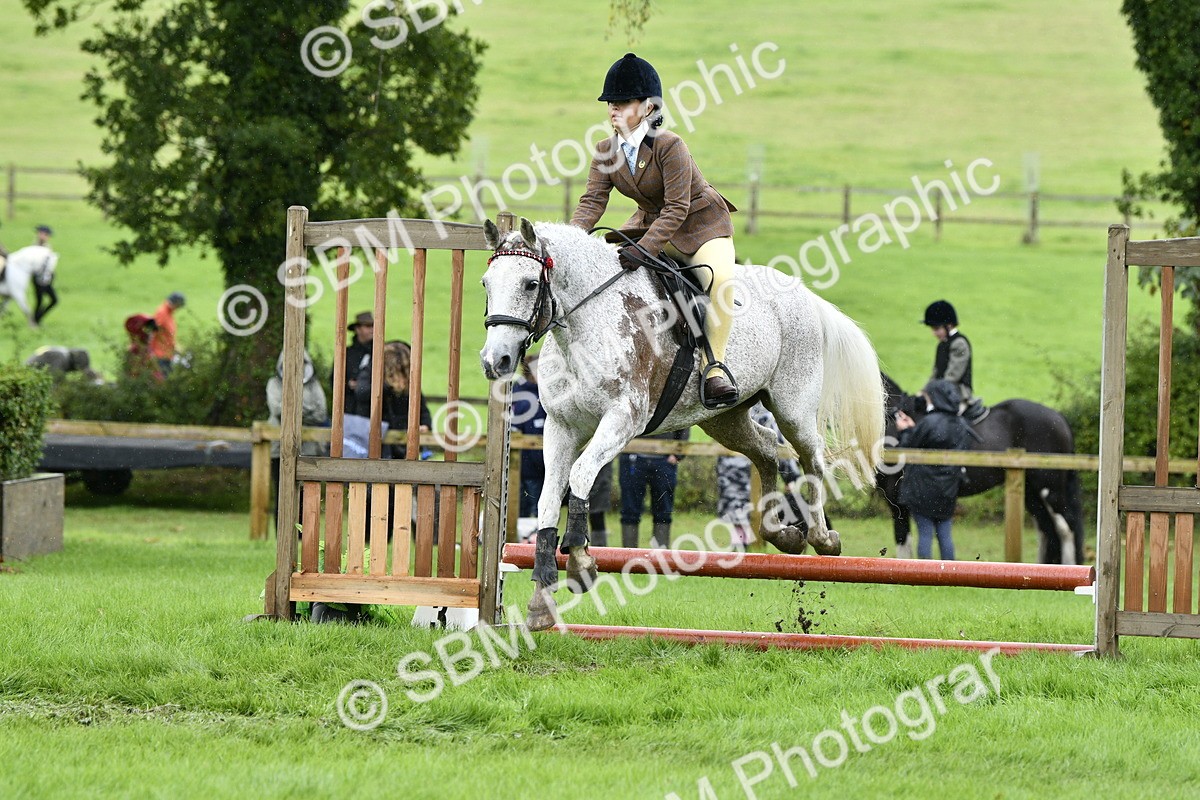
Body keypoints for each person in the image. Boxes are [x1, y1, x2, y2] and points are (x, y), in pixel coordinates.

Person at [569, 52, 741, 408]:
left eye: (622, 102)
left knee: (721, 281)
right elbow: (591, 204)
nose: (613, 109)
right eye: (610, 103)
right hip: (651, 223)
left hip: (700, 226)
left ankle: (715, 368)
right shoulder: (606, 150)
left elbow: (678, 207)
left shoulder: (669, 145)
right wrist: (566, 243)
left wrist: (644, 248)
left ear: (648, 107)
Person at [511, 354, 613, 545]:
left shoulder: (563, 391)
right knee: (539, 507)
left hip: (577, 457)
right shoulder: (528, 397)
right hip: (538, 466)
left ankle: (595, 545)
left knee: (593, 507)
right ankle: (534, 544)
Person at [894, 380, 974, 560]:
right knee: (945, 536)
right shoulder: (961, 424)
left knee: (925, 535)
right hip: (947, 490)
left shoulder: (929, 422)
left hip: (922, 489)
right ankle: (950, 574)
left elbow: (910, 447)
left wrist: (905, 431)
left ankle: (925, 576)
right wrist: (914, 429)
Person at [716, 403, 802, 549]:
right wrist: (791, 477)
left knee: (738, 514)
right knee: (753, 513)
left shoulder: (726, 406)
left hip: (730, 471)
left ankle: (740, 549)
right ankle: (747, 551)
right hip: (747, 472)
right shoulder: (763, 412)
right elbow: (776, 445)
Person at [266, 350, 329, 534]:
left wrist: (295, 409)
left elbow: (321, 413)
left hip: (309, 449)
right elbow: (279, 410)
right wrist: (303, 411)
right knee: (283, 494)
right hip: (281, 449)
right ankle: (283, 534)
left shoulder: (313, 384)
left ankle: (305, 535)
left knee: (306, 495)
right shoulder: (274, 383)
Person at [352, 340, 432, 458]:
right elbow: (361, 392)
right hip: (372, 440)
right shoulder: (371, 371)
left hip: (401, 441)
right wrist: (388, 385)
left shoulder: (408, 382)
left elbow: (422, 408)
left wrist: (425, 425)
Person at [619, 427, 690, 548]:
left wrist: (678, 455)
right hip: (633, 458)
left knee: (663, 513)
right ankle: (628, 559)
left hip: (664, 460)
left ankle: (660, 560)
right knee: (629, 512)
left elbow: (685, 424)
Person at [921, 300, 976, 411]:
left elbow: (952, 376)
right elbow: (936, 372)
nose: (934, 333)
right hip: (941, 391)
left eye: (936, 329)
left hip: (958, 394)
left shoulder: (959, 343)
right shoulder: (942, 345)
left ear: (949, 325)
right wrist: (923, 391)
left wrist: (932, 392)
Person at [338, 311, 375, 409]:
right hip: (349, 407)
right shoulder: (346, 353)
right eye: (367, 326)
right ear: (357, 329)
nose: (372, 329)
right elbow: (334, 379)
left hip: (372, 407)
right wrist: (348, 384)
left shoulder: (380, 352)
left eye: (373, 326)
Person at [149, 292, 186, 376]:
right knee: (163, 381)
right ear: (175, 304)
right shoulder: (162, 313)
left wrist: (174, 346)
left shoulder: (169, 313)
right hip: (159, 355)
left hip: (167, 354)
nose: (178, 308)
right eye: (178, 306)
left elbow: (167, 334)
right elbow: (154, 331)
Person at [31, 225, 57, 324]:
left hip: (47, 277)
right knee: (40, 300)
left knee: (53, 300)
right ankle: (35, 321)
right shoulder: (35, 247)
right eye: (41, 233)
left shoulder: (47, 247)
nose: (42, 236)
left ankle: (37, 319)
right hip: (38, 277)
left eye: (45, 234)